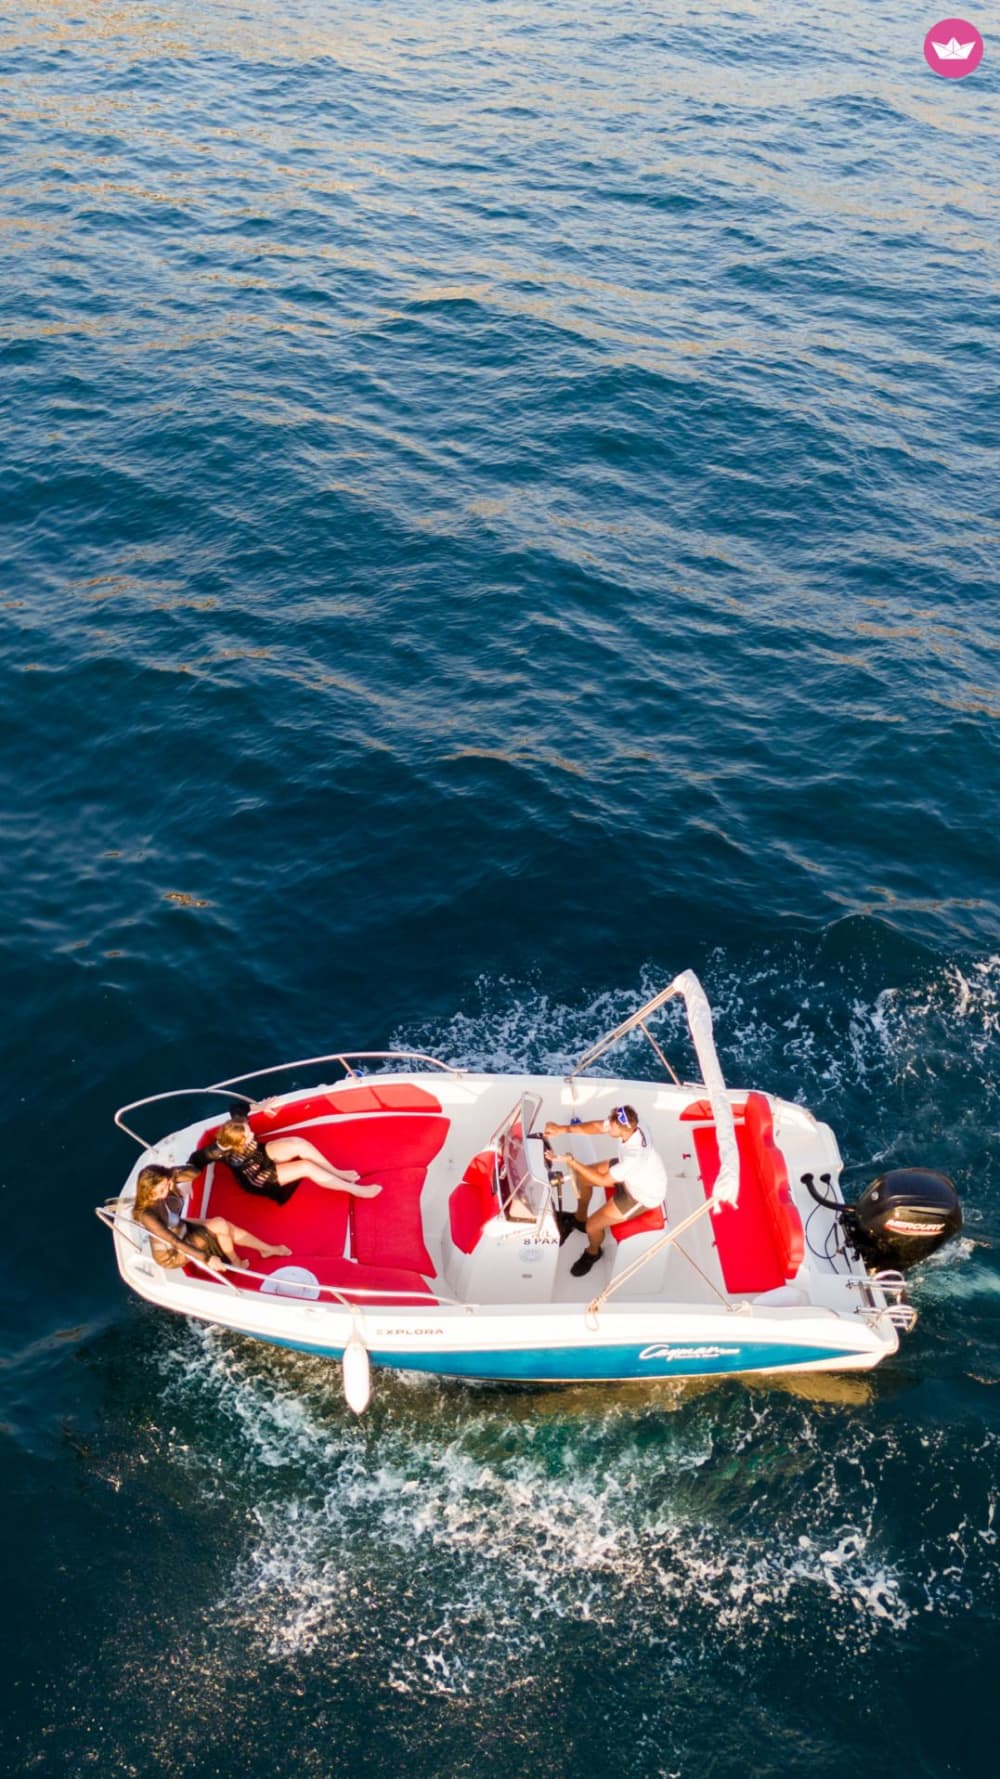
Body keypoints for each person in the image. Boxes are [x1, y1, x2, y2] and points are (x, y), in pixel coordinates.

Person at [543, 1104, 667, 1278]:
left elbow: (601, 1180)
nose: (607, 1124)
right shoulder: (634, 1125)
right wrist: (561, 1129)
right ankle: (579, 1219)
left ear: (622, 1129)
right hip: (630, 1175)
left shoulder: (634, 1157)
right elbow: (597, 1127)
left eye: (611, 1123)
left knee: (593, 1225)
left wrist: (571, 1162)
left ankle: (593, 1252)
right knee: (581, 1179)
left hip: (640, 1195)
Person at [186, 1115, 381, 1207]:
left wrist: (260, 1107)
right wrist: (186, 1181)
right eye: (248, 1135)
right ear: (237, 1143)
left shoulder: (237, 1125)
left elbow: (238, 1109)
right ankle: (357, 1191)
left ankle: (337, 1172)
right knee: (306, 1167)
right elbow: (196, 1159)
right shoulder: (219, 1151)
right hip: (257, 1176)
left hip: (261, 1155)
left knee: (297, 1143)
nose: (252, 1133)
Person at [133, 1164, 292, 1273]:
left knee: (222, 1223)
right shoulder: (148, 1215)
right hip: (172, 1253)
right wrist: (206, 1258)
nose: (167, 1190)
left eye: (167, 1185)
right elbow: (174, 1241)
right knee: (219, 1226)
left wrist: (170, 1174)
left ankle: (264, 1249)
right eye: (161, 1189)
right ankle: (239, 1261)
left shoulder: (167, 1186)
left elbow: (195, 1172)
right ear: (148, 1191)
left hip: (180, 1227)